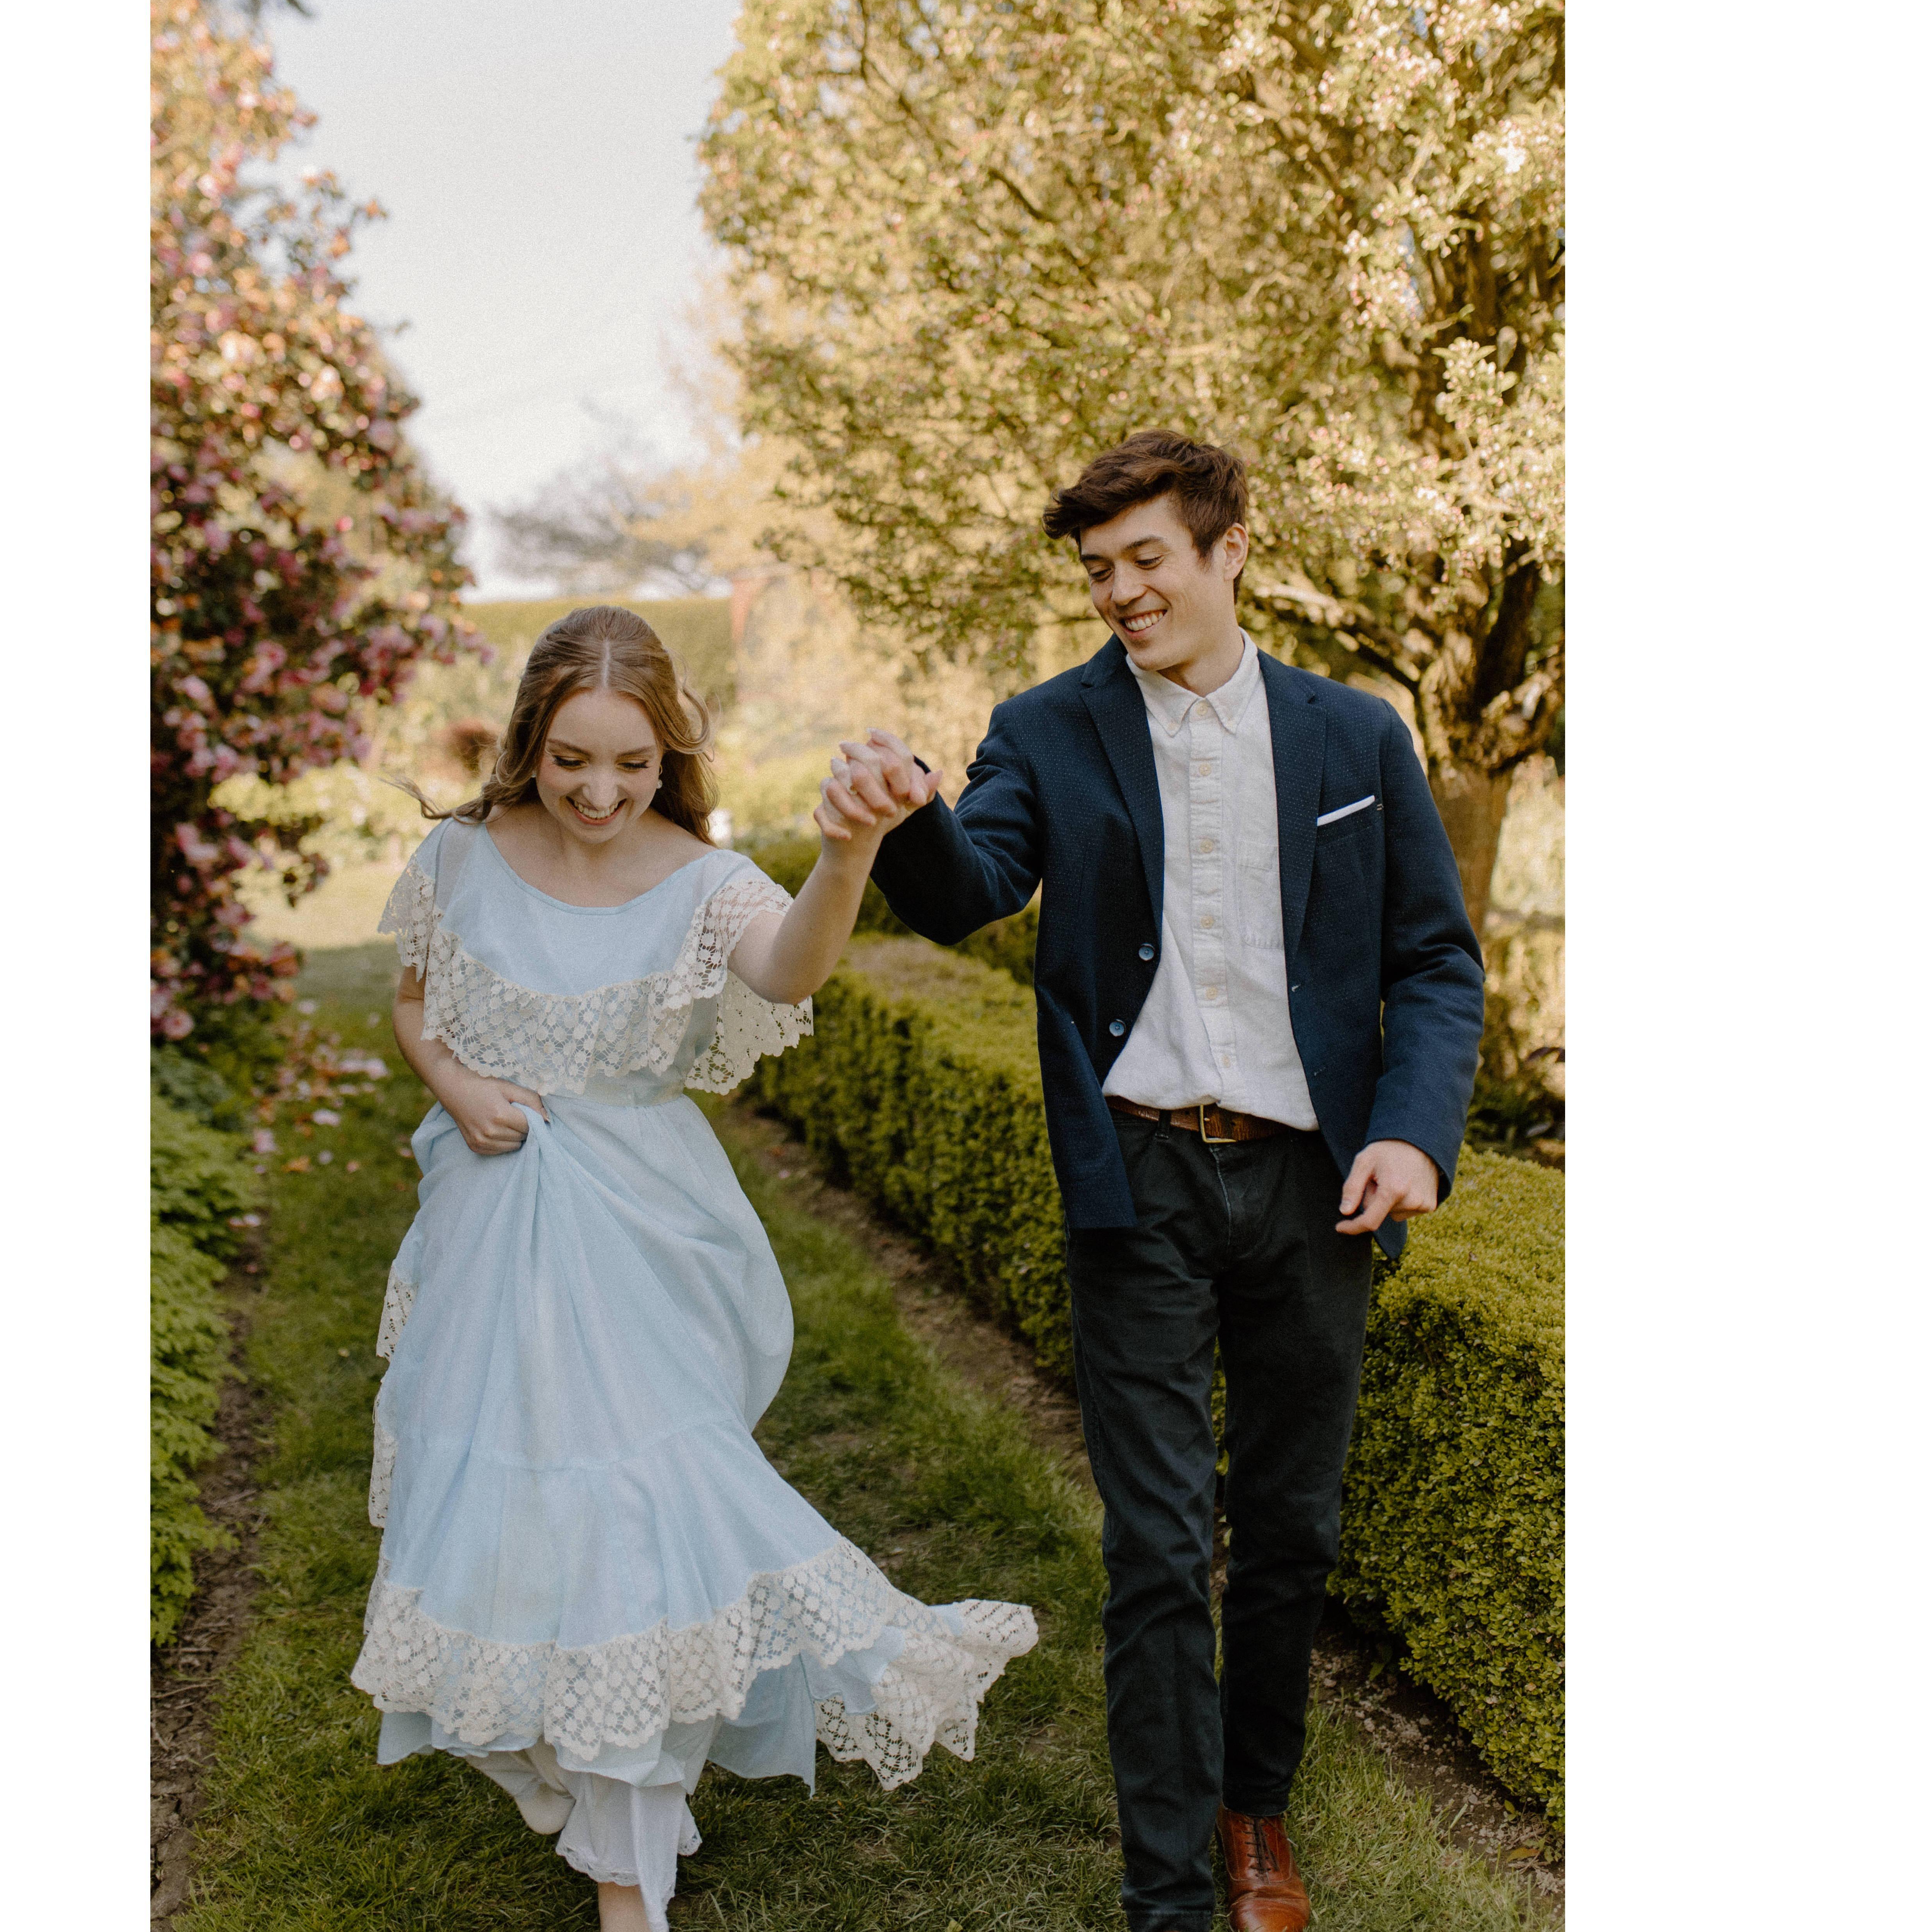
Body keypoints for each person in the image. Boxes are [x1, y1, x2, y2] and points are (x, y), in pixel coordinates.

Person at [818, 432, 1485, 1932]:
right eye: (1099, 570)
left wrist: (1412, 1130)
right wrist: (904, 811)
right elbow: (969, 891)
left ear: (1229, 546)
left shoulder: (1358, 738)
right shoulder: (1047, 731)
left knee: (1292, 1528)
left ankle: (1258, 1816)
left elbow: (1436, 961)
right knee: (1160, 1549)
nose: (1122, 593)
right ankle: (1172, 1897)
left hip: (1319, 1183)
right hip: (1142, 1183)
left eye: (1148, 561)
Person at [356, 606, 1037, 1932]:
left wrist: (846, 851)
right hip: (487, 1231)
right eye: (571, 762)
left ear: (671, 756)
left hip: (638, 1236)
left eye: (633, 765)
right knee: (490, 1512)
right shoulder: (459, 857)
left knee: (631, 1520)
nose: (601, 793)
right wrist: (458, 1082)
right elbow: (413, 1004)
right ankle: (576, 1771)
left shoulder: (699, 881)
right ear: (528, 745)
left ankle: (630, 1872)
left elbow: (788, 968)